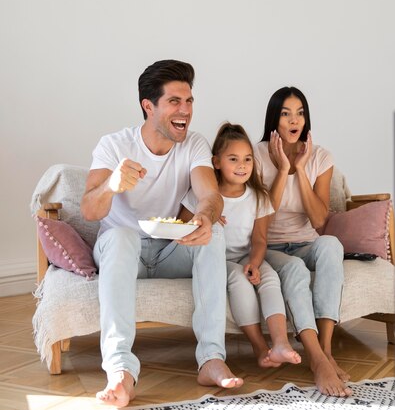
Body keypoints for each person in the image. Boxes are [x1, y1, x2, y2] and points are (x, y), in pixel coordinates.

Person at [80, 59, 243, 408]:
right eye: (174, 101)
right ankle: (121, 371)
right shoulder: (114, 145)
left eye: (189, 101)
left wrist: (204, 217)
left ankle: (211, 358)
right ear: (148, 106)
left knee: (213, 234)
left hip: (169, 249)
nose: (185, 110)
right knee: (121, 236)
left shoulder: (194, 144)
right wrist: (110, 185)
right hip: (123, 252)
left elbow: (211, 196)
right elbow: (89, 210)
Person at [254, 86, 352, 397]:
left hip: (305, 240)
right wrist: (284, 169)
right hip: (268, 246)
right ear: (274, 120)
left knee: (331, 245)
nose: (294, 120)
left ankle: (323, 353)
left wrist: (302, 170)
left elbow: (319, 220)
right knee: (294, 265)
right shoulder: (256, 154)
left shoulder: (320, 156)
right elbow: (262, 218)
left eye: (300, 113)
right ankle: (318, 358)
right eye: (285, 114)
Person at [182, 122, 302, 369]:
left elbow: (259, 239)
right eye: (233, 159)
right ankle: (259, 348)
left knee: (270, 279)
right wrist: (208, 214)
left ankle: (280, 343)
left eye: (248, 159)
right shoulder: (204, 194)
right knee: (238, 279)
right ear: (216, 162)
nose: (242, 166)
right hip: (216, 262)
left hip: (246, 255)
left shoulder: (257, 196)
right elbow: (182, 221)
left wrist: (255, 263)